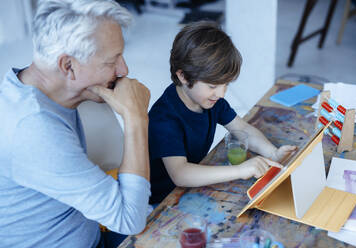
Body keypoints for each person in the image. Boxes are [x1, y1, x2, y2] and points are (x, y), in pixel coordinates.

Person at [0, 0, 151, 247]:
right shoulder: (34, 129)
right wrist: (136, 118)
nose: (124, 69)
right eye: (112, 61)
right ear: (68, 66)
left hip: (89, 227)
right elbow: (129, 219)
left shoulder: (27, 85)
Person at [148, 21, 296, 204]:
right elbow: (181, 173)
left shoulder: (210, 100)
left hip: (191, 187)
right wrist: (240, 170)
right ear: (183, 76)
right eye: (213, 86)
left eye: (226, 85)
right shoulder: (164, 118)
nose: (221, 93)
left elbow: (242, 129)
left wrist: (272, 153)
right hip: (160, 202)